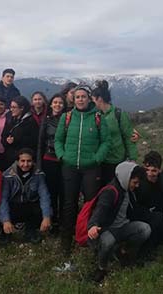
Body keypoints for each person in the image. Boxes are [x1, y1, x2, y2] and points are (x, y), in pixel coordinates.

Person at [54, 84, 111, 257]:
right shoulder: (67, 117)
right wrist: (62, 156)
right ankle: (66, 240)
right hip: (69, 167)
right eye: (77, 97)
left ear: (89, 99)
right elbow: (58, 140)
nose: (80, 99)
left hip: (91, 168)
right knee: (69, 204)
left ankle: (89, 237)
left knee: (90, 204)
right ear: (73, 99)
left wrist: (97, 158)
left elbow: (106, 141)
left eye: (83, 97)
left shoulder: (98, 117)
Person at [87, 161, 151, 283]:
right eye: (134, 182)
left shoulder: (128, 190)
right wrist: (93, 226)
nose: (137, 185)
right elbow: (100, 210)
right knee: (107, 241)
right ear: (126, 178)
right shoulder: (110, 192)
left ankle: (124, 253)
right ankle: (101, 267)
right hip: (109, 230)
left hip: (123, 226)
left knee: (145, 229)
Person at [0, 148, 52, 244]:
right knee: (0, 209)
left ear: (33, 161)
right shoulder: (7, 176)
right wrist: (5, 220)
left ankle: (30, 230)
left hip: (29, 204)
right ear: (17, 161)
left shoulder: (39, 175)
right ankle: (6, 231)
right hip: (13, 205)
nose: (26, 164)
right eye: (22, 161)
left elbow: (44, 196)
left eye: (29, 161)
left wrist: (46, 216)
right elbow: (3, 199)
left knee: (41, 209)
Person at [91, 80, 138, 185]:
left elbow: (128, 137)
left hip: (117, 161)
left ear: (99, 99)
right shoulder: (94, 115)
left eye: (93, 99)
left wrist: (133, 159)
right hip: (100, 161)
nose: (91, 102)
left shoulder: (119, 114)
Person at [37, 93, 66, 232]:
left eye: (60, 103)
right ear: (50, 104)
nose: (57, 105)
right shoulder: (46, 120)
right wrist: (39, 164)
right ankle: (53, 220)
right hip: (49, 160)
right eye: (55, 102)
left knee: (65, 192)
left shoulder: (68, 119)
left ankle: (64, 221)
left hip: (65, 160)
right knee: (52, 192)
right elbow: (40, 142)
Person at [1, 95, 39, 171]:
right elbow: (3, 137)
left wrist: (14, 141)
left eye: (14, 107)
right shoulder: (10, 120)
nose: (11, 109)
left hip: (24, 161)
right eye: (11, 107)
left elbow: (33, 142)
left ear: (22, 108)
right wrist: (7, 141)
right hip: (9, 159)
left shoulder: (31, 122)